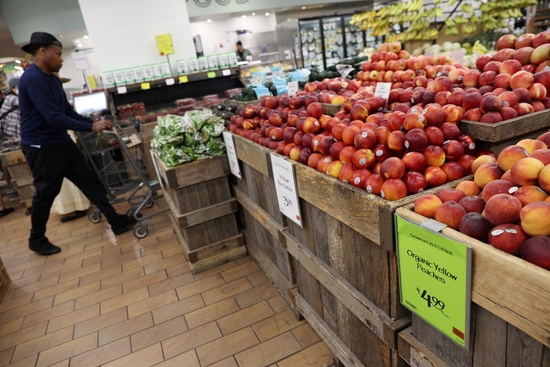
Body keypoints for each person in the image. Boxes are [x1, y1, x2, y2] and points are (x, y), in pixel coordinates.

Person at [19, 31, 136, 256]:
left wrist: (93, 121)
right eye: (58, 54)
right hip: (41, 146)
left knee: (89, 180)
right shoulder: (33, 79)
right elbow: (52, 116)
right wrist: (91, 127)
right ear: (42, 51)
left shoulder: (51, 78)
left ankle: (115, 220)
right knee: (46, 192)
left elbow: (65, 111)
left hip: (60, 142)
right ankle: (37, 239)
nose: (62, 59)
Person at [0, 78, 21, 142]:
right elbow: (22, 102)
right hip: (11, 129)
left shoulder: (8, 97)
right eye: (18, 87)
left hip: (8, 127)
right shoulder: (11, 98)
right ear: (12, 88)